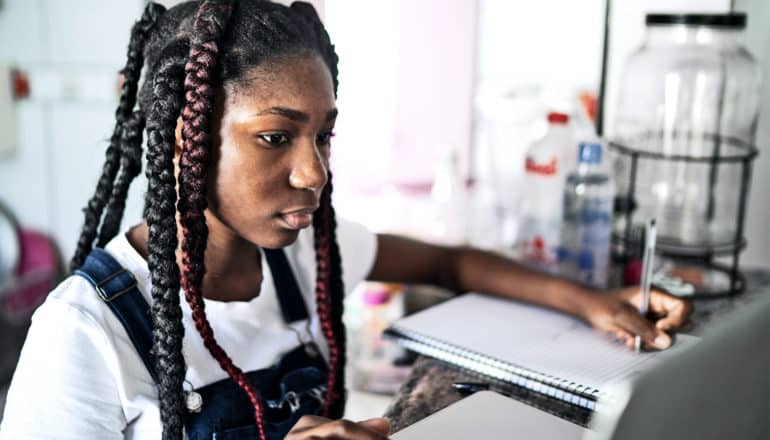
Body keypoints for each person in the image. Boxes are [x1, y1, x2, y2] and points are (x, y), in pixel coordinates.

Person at [0, 1, 693, 439]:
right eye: (276, 137)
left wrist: (592, 303)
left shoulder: (301, 257)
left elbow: (446, 262)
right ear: (187, 140)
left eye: (323, 136)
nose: (315, 173)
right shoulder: (84, 333)